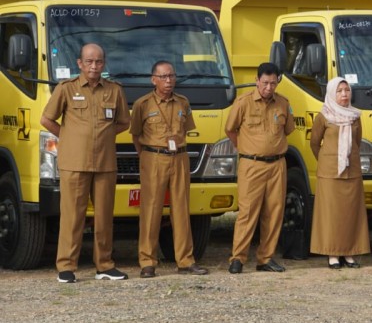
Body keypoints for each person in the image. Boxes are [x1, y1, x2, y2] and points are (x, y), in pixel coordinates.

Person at [41, 43, 131, 283]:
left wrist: (105, 135)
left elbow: (124, 123)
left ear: (104, 64)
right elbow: (46, 119)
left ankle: (104, 265)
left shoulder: (114, 90)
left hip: (105, 163)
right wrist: (68, 137)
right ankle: (66, 267)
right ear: (79, 63)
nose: (94, 66)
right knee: (72, 216)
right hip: (74, 162)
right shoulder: (66, 89)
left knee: (104, 216)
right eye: (89, 61)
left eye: (98, 61)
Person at [129, 61, 209, 278]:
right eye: (163, 77)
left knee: (182, 209)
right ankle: (147, 262)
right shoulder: (142, 104)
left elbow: (187, 129)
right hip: (154, 158)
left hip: (180, 158)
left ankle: (185, 260)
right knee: (151, 210)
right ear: (153, 79)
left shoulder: (183, 102)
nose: (168, 81)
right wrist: (146, 154)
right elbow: (135, 135)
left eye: (171, 76)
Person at [225, 62, 295, 274]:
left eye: (273, 83)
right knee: (247, 212)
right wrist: (246, 147)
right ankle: (237, 258)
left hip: (277, 165)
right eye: (265, 83)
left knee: (274, 212)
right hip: (251, 164)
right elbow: (230, 129)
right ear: (257, 81)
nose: (268, 88)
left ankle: (266, 258)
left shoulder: (283, 103)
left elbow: (288, 129)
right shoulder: (244, 102)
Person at [309, 78, 370, 269]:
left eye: (347, 90)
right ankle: (332, 253)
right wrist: (328, 160)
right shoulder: (324, 116)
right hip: (330, 173)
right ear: (331, 93)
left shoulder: (355, 116)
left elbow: (357, 143)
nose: (344, 94)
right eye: (339, 91)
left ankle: (349, 252)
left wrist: (346, 159)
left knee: (350, 213)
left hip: (351, 171)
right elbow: (314, 143)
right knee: (331, 214)